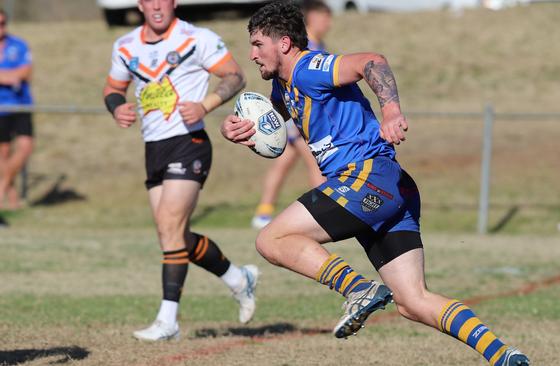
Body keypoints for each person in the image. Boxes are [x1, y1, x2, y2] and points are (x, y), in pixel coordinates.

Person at [221, 2, 530, 365]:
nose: (252, 54)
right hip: (391, 188)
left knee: (270, 239)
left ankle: (357, 288)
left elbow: (372, 61)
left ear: (284, 43)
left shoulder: (309, 68)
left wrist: (391, 110)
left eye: (258, 44)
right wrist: (241, 130)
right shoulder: (284, 87)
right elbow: (273, 128)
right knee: (412, 301)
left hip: (368, 178)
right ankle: (503, 355)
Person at [103, 0, 258, 341]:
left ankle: (168, 321)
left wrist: (206, 104)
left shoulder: (196, 38)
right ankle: (238, 278)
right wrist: (117, 109)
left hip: (189, 143)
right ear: (140, 4)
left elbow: (235, 75)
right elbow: (113, 90)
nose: (157, 5)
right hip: (153, 148)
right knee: (174, 236)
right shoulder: (125, 45)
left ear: (173, 3)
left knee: (170, 227)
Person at [250, 0, 332, 229]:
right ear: (312, 17)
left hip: (297, 120)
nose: (329, 23)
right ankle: (324, 213)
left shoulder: (317, 43)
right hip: (298, 121)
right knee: (317, 165)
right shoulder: (307, 48)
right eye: (324, 17)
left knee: (283, 163)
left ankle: (263, 211)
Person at [0, 9, 34, 210]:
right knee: (3, 154)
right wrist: (9, 75)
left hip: (20, 104)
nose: (1, 27)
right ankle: (11, 200)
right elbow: (14, 75)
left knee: (25, 147)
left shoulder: (18, 45)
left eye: (3, 23)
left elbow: (25, 73)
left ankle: (2, 188)